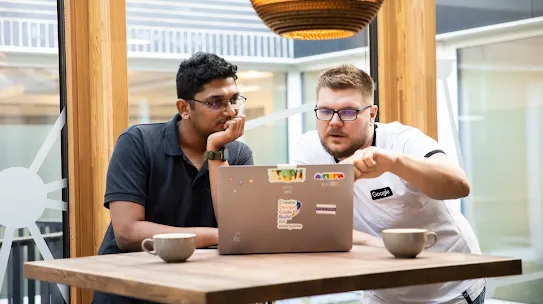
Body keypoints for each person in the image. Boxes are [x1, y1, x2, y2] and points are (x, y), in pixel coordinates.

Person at [291, 64, 486, 304]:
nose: (334, 122)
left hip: (448, 290)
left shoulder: (402, 140)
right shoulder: (308, 149)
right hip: (379, 290)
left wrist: (394, 162)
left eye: (349, 112)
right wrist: (383, 245)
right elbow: (308, 222)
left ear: (372, 114)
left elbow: (459, 185)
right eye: (325, 111)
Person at [92, 52, 254, 303]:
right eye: (215, 102)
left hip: (198, 288)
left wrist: (217, 152)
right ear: (184, 108)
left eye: (234, 99)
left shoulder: (238, 153)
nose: (231, 111)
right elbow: (128, 233)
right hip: (131, 290)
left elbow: (236, 231)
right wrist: (217, 236)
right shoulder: (138, 143)